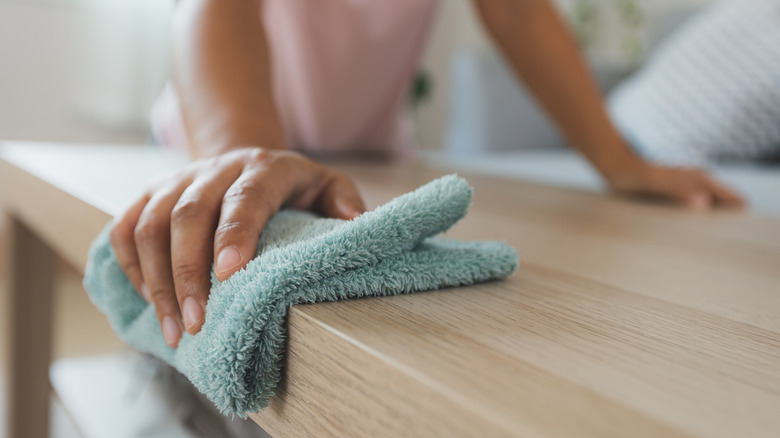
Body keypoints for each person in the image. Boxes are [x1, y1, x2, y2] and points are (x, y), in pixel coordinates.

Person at [110, 0, 744, 350]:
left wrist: (619, 160)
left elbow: (518, 13)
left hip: (363, 159)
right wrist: (244, 153)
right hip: (210, 146)